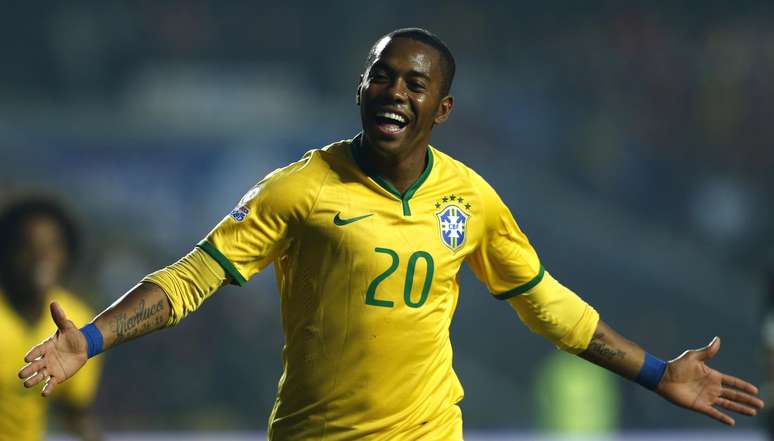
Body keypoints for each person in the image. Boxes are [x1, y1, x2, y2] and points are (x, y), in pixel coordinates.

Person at [18, 28, 763, 440]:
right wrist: (90, 337)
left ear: (440, 108)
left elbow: (544, 302)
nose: (393, 91)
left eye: (413, 83)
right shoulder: (299, 189)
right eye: (381, 75)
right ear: (361, 87)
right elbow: (192, 277)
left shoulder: (471, 198)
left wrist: (657, 370)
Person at [0, 198, 103, 441]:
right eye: (28, 246)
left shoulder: (76, 321)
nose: (41, 257)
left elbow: (76, 414)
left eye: (52, 246)